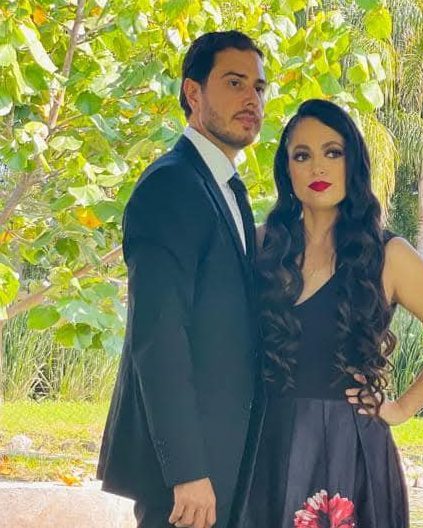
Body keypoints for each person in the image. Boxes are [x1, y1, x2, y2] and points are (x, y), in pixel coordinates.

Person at [229, 99, 423, 528]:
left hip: (352, 452)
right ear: (287, 170)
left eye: (333, 152)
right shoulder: (260, 247)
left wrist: (400, 409)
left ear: (354, 163)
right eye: (302, 155)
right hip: (265, 445)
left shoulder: (388, 255)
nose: (317, 167)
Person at [97, 31, 266, 528]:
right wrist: (187, 470)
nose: (251, 99)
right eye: (234, 83)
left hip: (227, 464)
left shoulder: (224, 188)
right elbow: (158, 337)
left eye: (258, 87)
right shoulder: (172, 185)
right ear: (193, 93)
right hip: (188, 482)